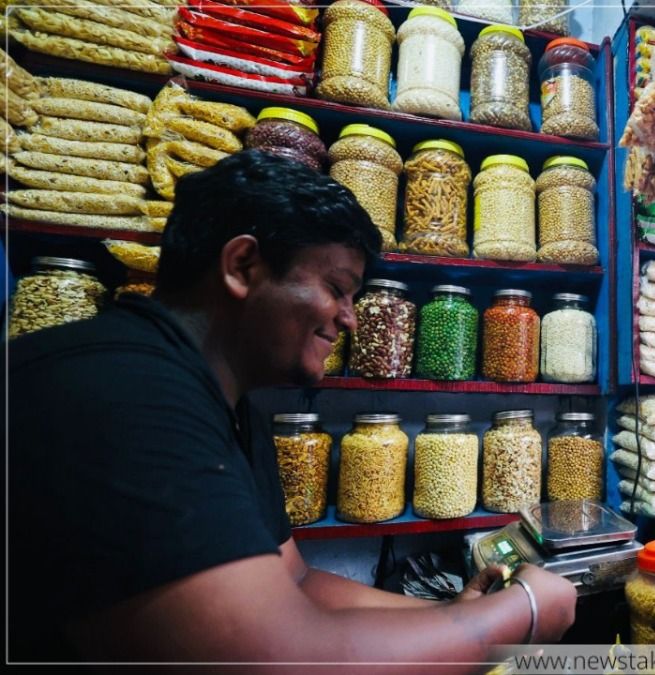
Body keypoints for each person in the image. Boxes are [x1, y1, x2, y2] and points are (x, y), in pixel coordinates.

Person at [9, 151, 577, 664]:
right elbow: (274, 658)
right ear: (242, 266)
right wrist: (521, 613)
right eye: (337, 288)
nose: (350, 319)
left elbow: (298, 583)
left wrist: (453, 614)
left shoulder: (230, 402)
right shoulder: (120, 391)